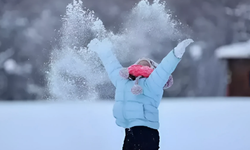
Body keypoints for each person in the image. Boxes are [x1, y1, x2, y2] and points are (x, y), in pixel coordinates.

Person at [87, 38, 194, 150]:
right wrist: (103, 50)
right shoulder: (123, 81)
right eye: (139, 63)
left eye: (147, 63)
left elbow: (164, 69)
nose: (143, 62)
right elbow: (112, 67)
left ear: (153, 69)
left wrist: (176, 53)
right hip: (129, 130)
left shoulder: (152, 82)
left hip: (147, 131)